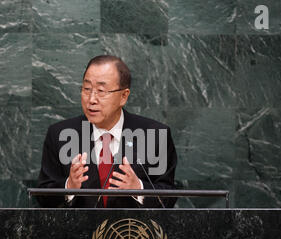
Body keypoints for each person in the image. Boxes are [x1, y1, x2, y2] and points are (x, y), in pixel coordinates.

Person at [36, 55, 177, 208]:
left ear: (123, 96)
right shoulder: (59, 134)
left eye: (101, 91)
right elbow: (42, 196)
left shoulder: (155, 135)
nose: (91, 99)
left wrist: (139, 189)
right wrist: (69, 186)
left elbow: (169, 196)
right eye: (87, 89)